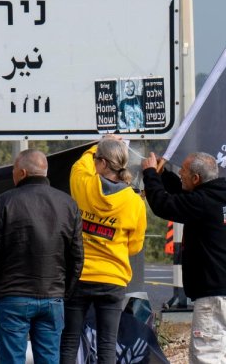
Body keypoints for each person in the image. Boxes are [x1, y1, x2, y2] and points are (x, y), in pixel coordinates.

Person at [141, 151, 226, 364]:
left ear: (197, 178)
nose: (180, 172)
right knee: (222, 358)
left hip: (214, 298)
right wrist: (163, 174)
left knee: (205, 358)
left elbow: (164, 205)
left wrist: (150, 174)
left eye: (184, 171)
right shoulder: (221, 193)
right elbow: (183, 193)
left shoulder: (204, 202)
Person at [0, 149, 84, 364]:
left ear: (23, 173)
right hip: (52, 296)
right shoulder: (68, 204)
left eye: (14, 170)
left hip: (12, 297)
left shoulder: (4, 202)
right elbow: (77, 257)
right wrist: (64, 292)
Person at [60, 135, 149, 364]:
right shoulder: (133, 202)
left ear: (101, 163)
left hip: (79, 276)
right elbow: (134, 246)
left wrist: (98, 144)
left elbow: (79, 165)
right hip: (113, 279)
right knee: (107, 345)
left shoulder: (84, 185)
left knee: (69, 340)